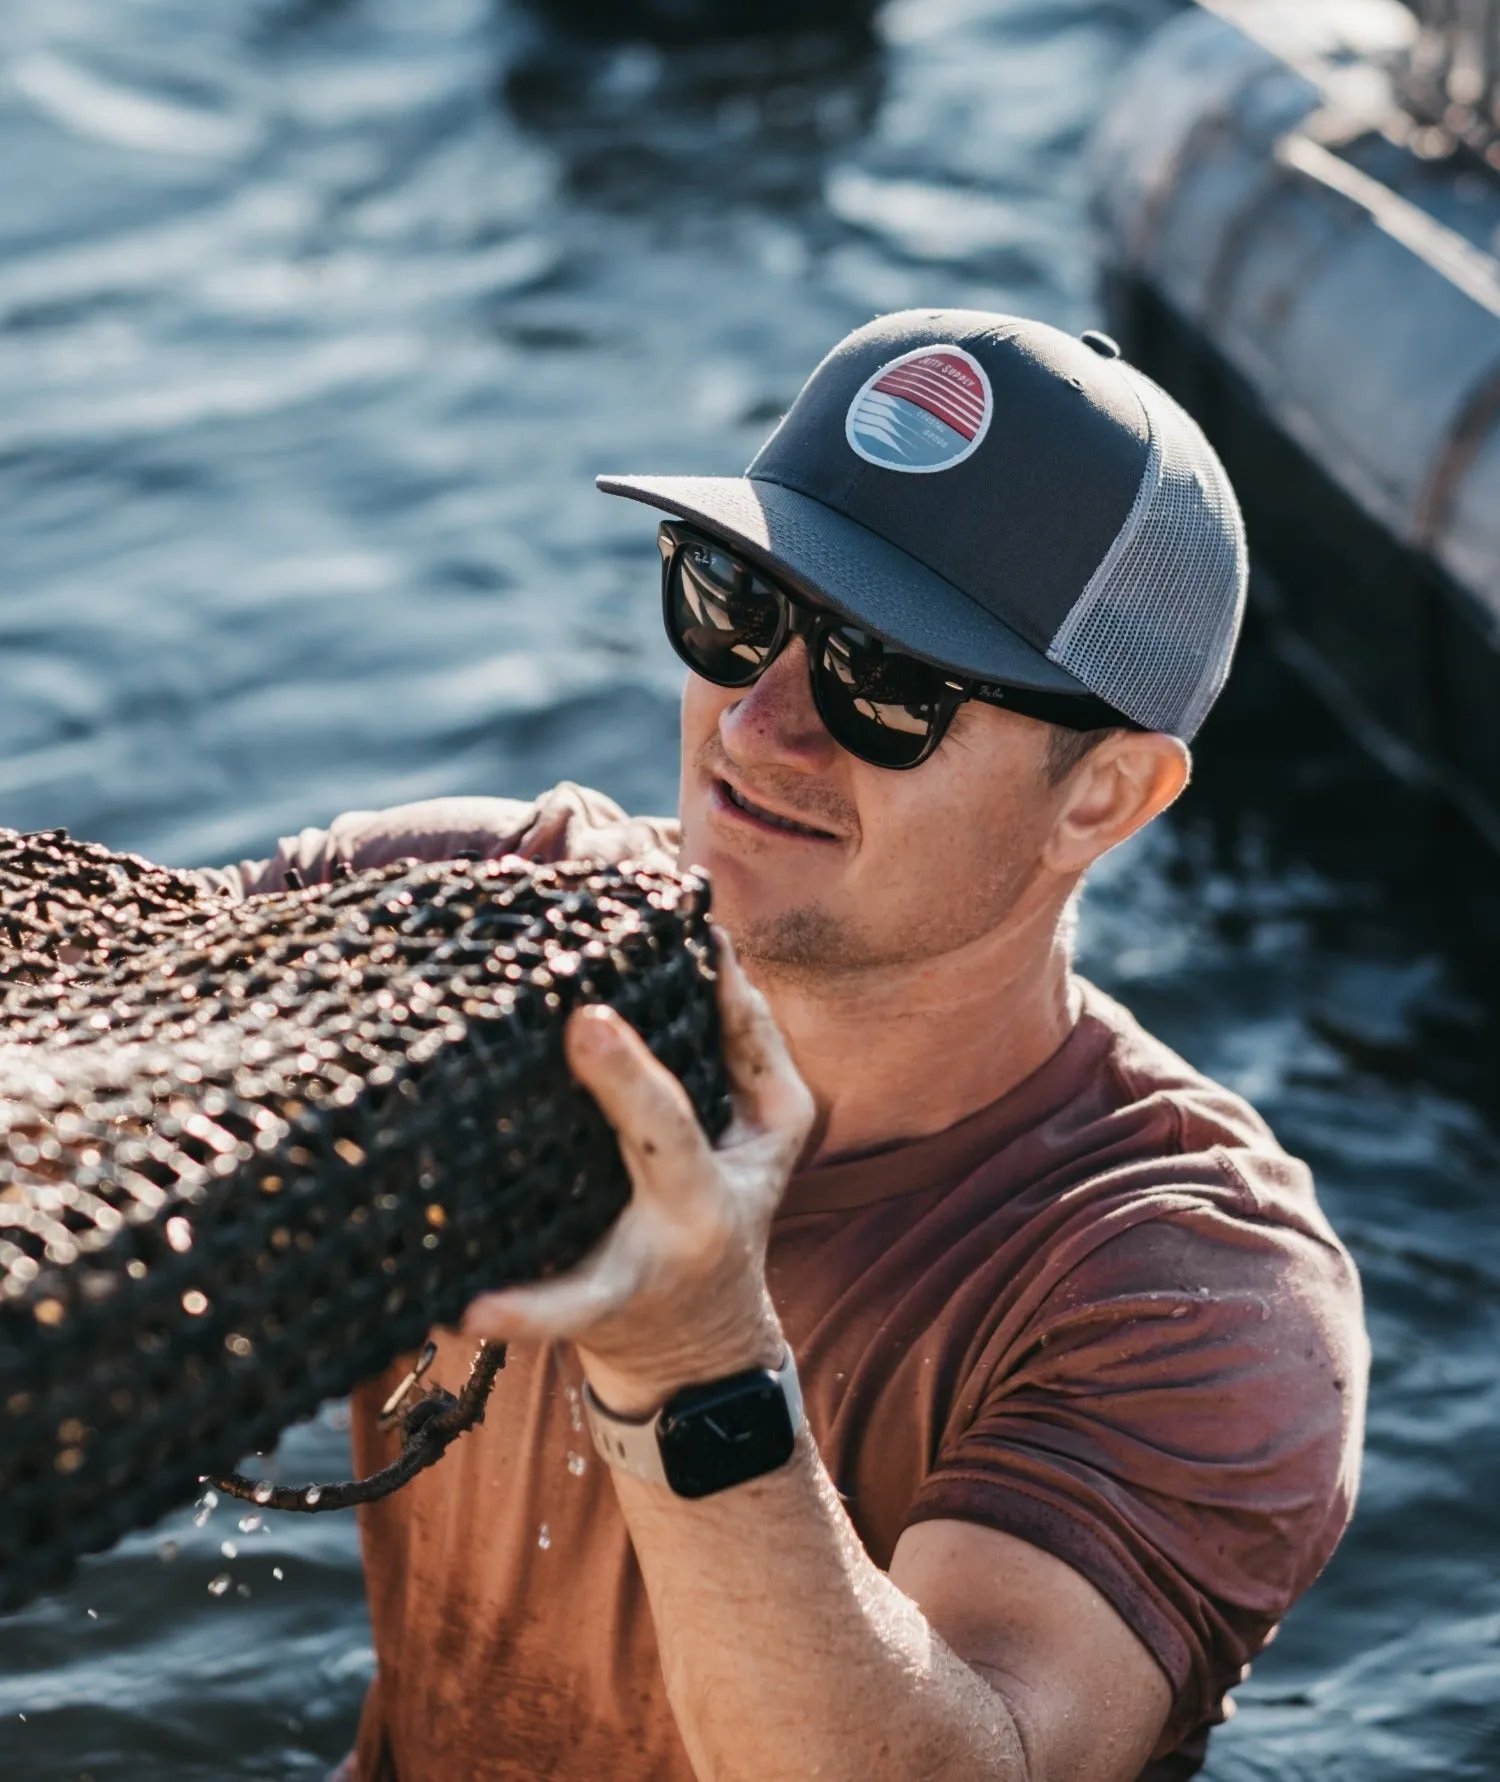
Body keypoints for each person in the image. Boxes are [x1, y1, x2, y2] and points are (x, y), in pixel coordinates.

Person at [204, 311, 1368, 1782]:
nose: (760, 722)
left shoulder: (1190, 1287)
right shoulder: (463, 935)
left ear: (1105, 796)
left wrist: (692, 1355)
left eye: (888, 682)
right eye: (735, 602)